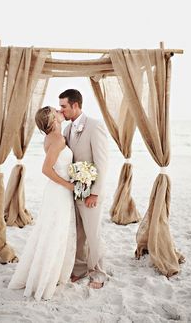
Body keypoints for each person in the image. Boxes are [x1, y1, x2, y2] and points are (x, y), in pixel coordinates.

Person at [8, 106, 76, 301]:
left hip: (56, 191)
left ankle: (50, 272)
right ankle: (47, 276)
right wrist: (69, 186)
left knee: (51, 231)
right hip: (59, 191)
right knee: (55, 232)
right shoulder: (58, 139)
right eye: (56, 110)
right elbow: (46, 169)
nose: (59, 110)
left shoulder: (53, 137)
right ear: (52, 119)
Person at [59, 89, 109, 289]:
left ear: (75, 105)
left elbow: (102, 163)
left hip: (91, 193)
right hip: (74, 191)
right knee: (78, 233)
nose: (61, 110)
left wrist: (95, 192)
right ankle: (79, 270)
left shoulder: (95, 126)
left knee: (92, 233)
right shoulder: (66, 130)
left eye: (64, 106)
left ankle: (99, 273)